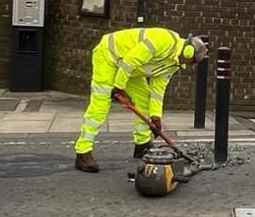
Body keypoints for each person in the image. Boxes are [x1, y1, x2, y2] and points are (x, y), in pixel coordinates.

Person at [74, 28, 208, 173]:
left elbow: (157, 90)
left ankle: (142, 144)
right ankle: (83, 152)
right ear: (188, 52)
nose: (191, 65)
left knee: (144, 99)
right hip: (109, 55)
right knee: (100, 105)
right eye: (193, 61)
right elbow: (130, 60)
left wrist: (156, 117)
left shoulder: (174, 63)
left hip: (131, 69)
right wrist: (119, 87)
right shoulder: (162, 40)